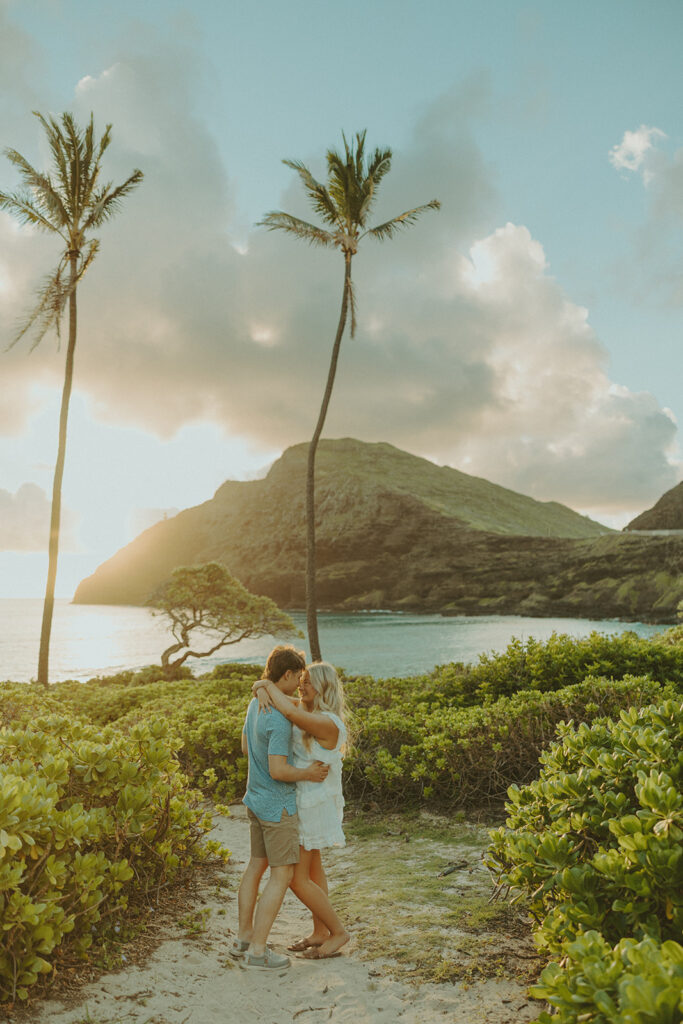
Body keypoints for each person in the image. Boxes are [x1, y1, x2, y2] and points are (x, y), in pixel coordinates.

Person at [234, 645, 330, 970]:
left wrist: (259, 686)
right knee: (281, 875)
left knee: (254, 867)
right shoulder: (278, 717)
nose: (300, 684)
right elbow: (278, 770)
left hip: (254, 800)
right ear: (286, 675)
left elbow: (246, 747)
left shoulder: (254, 704)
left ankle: (244, 937)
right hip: (278, 807)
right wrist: (307, 773)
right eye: (298, 677)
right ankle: (258, 952)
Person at [254, 661, 350, 959]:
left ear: (323, 688)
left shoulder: (327, 722)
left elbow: (289, 712)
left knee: (297, 878)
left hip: (313, 804)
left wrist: (266, 685)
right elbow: (285, 702)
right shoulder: (309, 711)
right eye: (301, 679)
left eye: (308, 682)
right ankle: (320, 932)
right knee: (314, 868)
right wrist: (261, 685)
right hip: (308, 799)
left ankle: (338, 932)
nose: (301, 685)